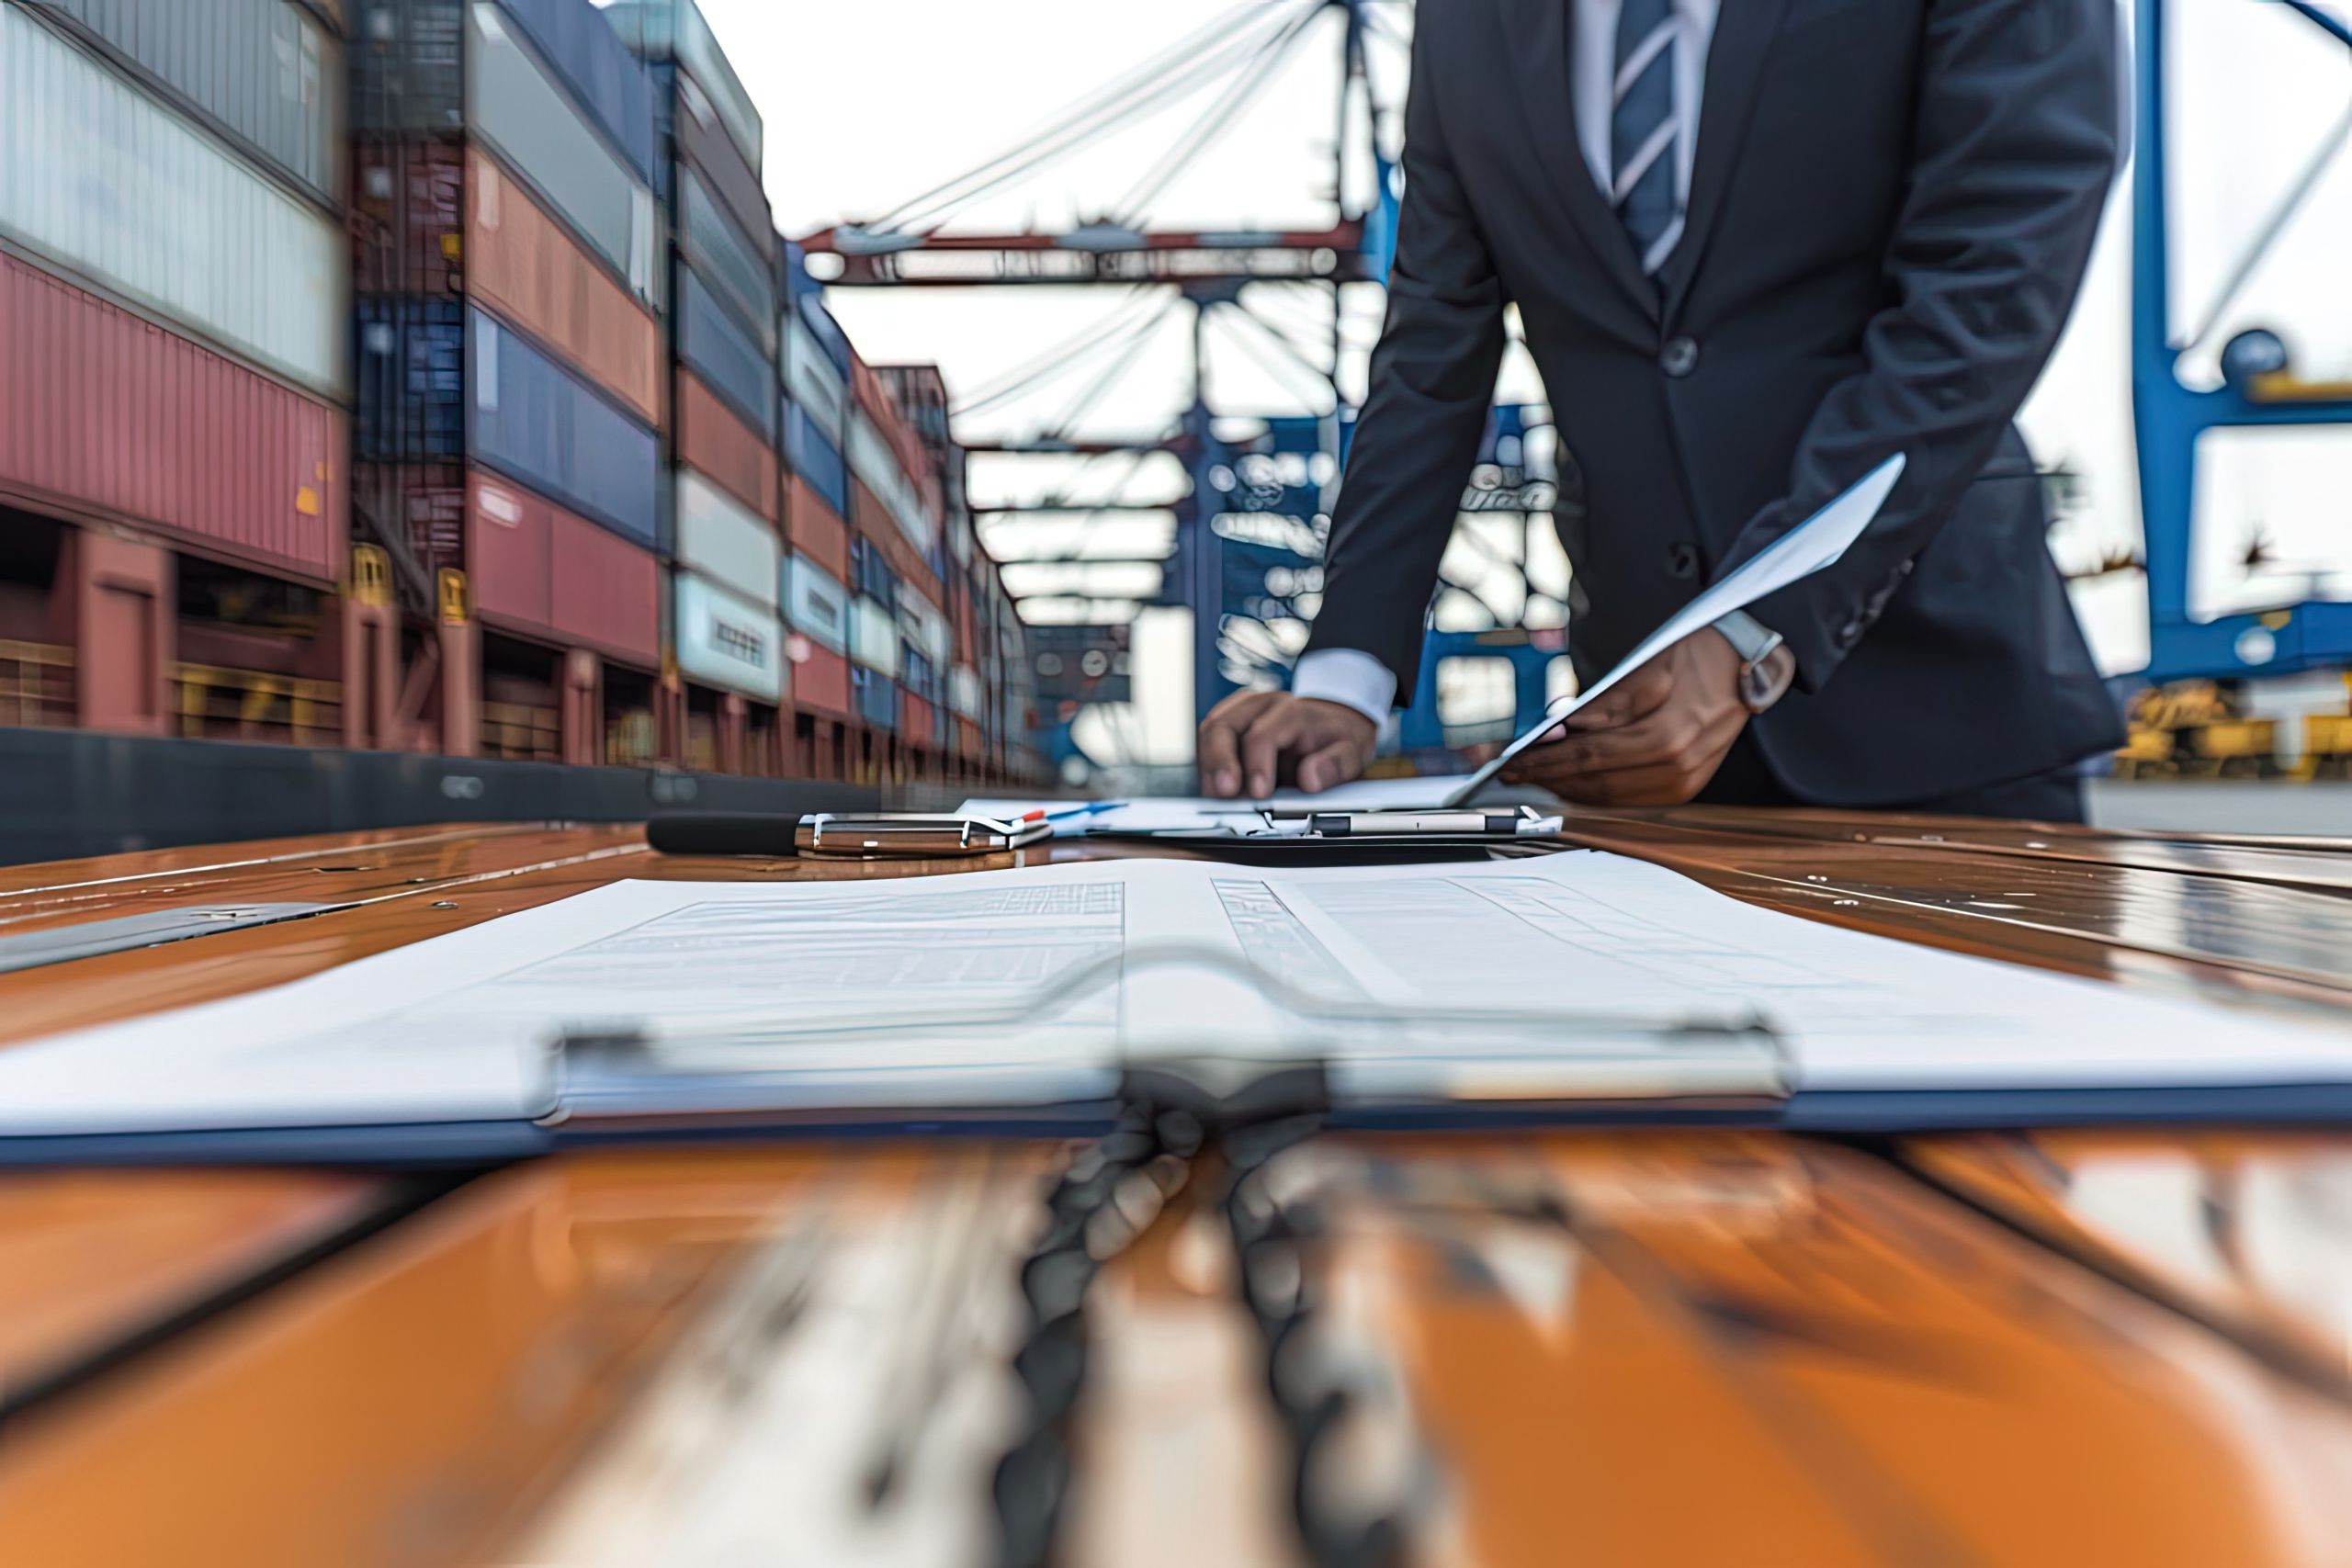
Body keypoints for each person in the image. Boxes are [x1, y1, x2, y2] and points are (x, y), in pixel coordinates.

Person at [1198, 0, 2124, 822]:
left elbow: (1987, 291)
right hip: (1638, 753)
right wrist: (1343, 680)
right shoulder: (1465, 18)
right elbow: (1431, 353)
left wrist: (1753, 625)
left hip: (1941, 723)